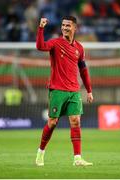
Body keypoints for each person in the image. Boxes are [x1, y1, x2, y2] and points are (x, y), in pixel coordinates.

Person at [35, 16, 94, 166]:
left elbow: (84, 70)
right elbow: (40, 46)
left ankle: (77, 158)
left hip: (74, 90)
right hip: (57, 90)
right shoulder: (55, 43)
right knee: (53, 122)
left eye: (68, 25)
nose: (65, 28)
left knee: (75, 121)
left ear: (75, 28)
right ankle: (40, 153)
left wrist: (89, 90)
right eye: (63, 25)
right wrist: (41, 28)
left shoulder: (79, 48)